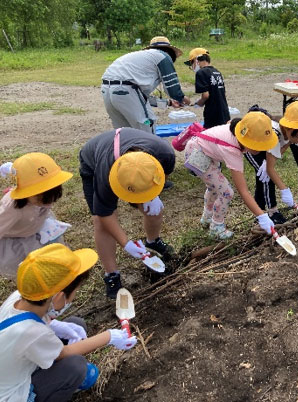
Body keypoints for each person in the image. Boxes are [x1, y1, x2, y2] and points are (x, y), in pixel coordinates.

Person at [0, 243, 137, 402]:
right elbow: (62, 353)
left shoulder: (19, 297)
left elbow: (32, 329)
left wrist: (54, 324)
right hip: (11, 394)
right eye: (76, 292)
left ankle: (59, 380)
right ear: (59, 297)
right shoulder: (32, 332)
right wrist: (109, 336)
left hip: (13, 365)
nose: (74, 297)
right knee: (75, 367)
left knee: (76, 323)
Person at [79, 128, 176, 298]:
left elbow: (164, 175)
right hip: (93, 163)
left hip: (134, 162)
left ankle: (153, 242)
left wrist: (153, 195)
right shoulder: (105, 173)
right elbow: (104, 215)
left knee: (153, 208)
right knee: (100, 223)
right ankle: (112, 275)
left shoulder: (165, 154)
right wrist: (126, 244)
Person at [181, 112, 279, 239]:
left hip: (204, 149)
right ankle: (216, 227)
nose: (261, 149)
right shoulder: (232, 150)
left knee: (214, 187)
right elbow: (243, 191)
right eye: (258, 146)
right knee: (226, 192)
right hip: (197, 153)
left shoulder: (239, 129)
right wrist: (261, 216)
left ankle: (207, 218)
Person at [245, 102, 298, 225]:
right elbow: (270, 169)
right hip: (251, 146)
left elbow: (286, 144)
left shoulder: (292, 132)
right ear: (288, 128)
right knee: (266, 177)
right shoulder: (275, 134)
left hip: (265, 145)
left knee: (261, 178)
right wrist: (284, 189)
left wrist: (272, 157)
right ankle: (272, 212)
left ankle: (259, 211)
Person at [0, 153, 72, 280]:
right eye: (40, 198)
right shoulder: (11, 209)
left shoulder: (43, 198)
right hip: (19, 238)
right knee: (34, 272)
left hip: (37, 226)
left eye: (53, 197)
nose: (49, 203)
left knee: (54, 258)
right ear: (24, 192)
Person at [101, 36, 190, 134]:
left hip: (106, 89)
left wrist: (168, 103)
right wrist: (182, 98)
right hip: (127, 89)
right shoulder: (164, 56)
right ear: (171, 52)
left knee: (123, 133)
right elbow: (172, 88)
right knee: (146, 129)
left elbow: (139, 98)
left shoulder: (141, 60)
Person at [184, 48, 230, 129]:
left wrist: (198, 103)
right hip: (224, 112)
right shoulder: (217, 72)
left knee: (211, 135)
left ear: (197, 60)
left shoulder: (201, 73)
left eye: (192, 63)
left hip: (212, 113)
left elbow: (205, 95)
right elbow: (223, 93)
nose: (192, 67)